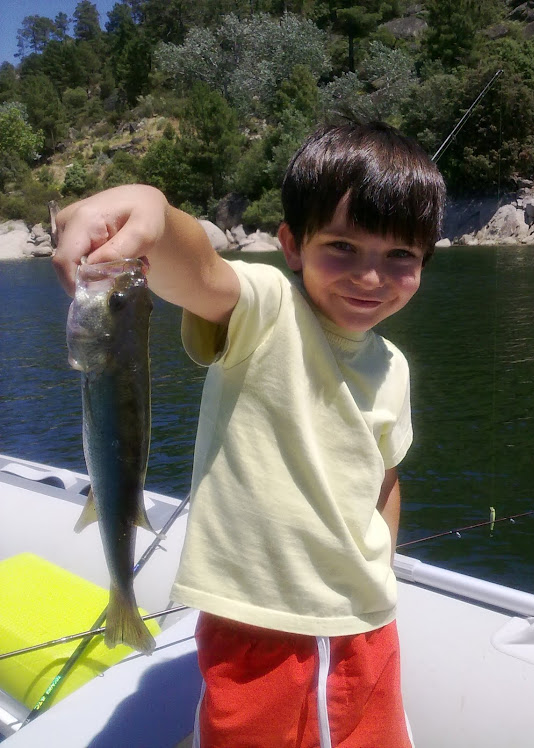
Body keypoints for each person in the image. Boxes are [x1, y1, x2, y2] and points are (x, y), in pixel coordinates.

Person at [54, 120, 446, 748]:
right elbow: (198, 270)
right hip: (263, 629)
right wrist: (148, 209)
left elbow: (386, 476)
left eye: (399, 255)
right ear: (292, 245)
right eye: (342, 246)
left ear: (425, 260)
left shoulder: (394, 366)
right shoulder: (267, 309)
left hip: (369, 624)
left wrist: (381, 573)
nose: (370, 277)